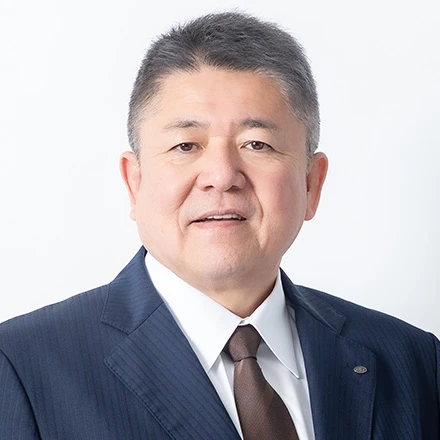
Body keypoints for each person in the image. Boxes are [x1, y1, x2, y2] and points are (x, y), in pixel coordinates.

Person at [0, 11, 438, 440]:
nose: (222, 176)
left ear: (311, 183)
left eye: (257, 144)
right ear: (135, 183)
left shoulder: (412, 360)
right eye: (185, 145)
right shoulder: (21, 367)